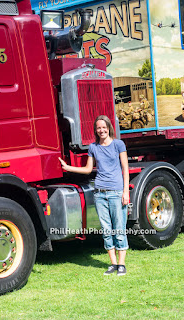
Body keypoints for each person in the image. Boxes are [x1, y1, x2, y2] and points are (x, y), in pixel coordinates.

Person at [59, 115, 129, 276]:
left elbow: (125, 168)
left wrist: (126, 192)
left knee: (119, 228)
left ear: (109, 127)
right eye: (98, 128)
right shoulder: (93, 147)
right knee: (106, 229)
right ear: (96, 130)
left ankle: (122, 264)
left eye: (104, 127)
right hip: (99, 194)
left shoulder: (118, 144)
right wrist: (68, 168)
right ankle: (112, 264)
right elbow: (88, 169)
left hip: (116, 192)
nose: (101, 130)